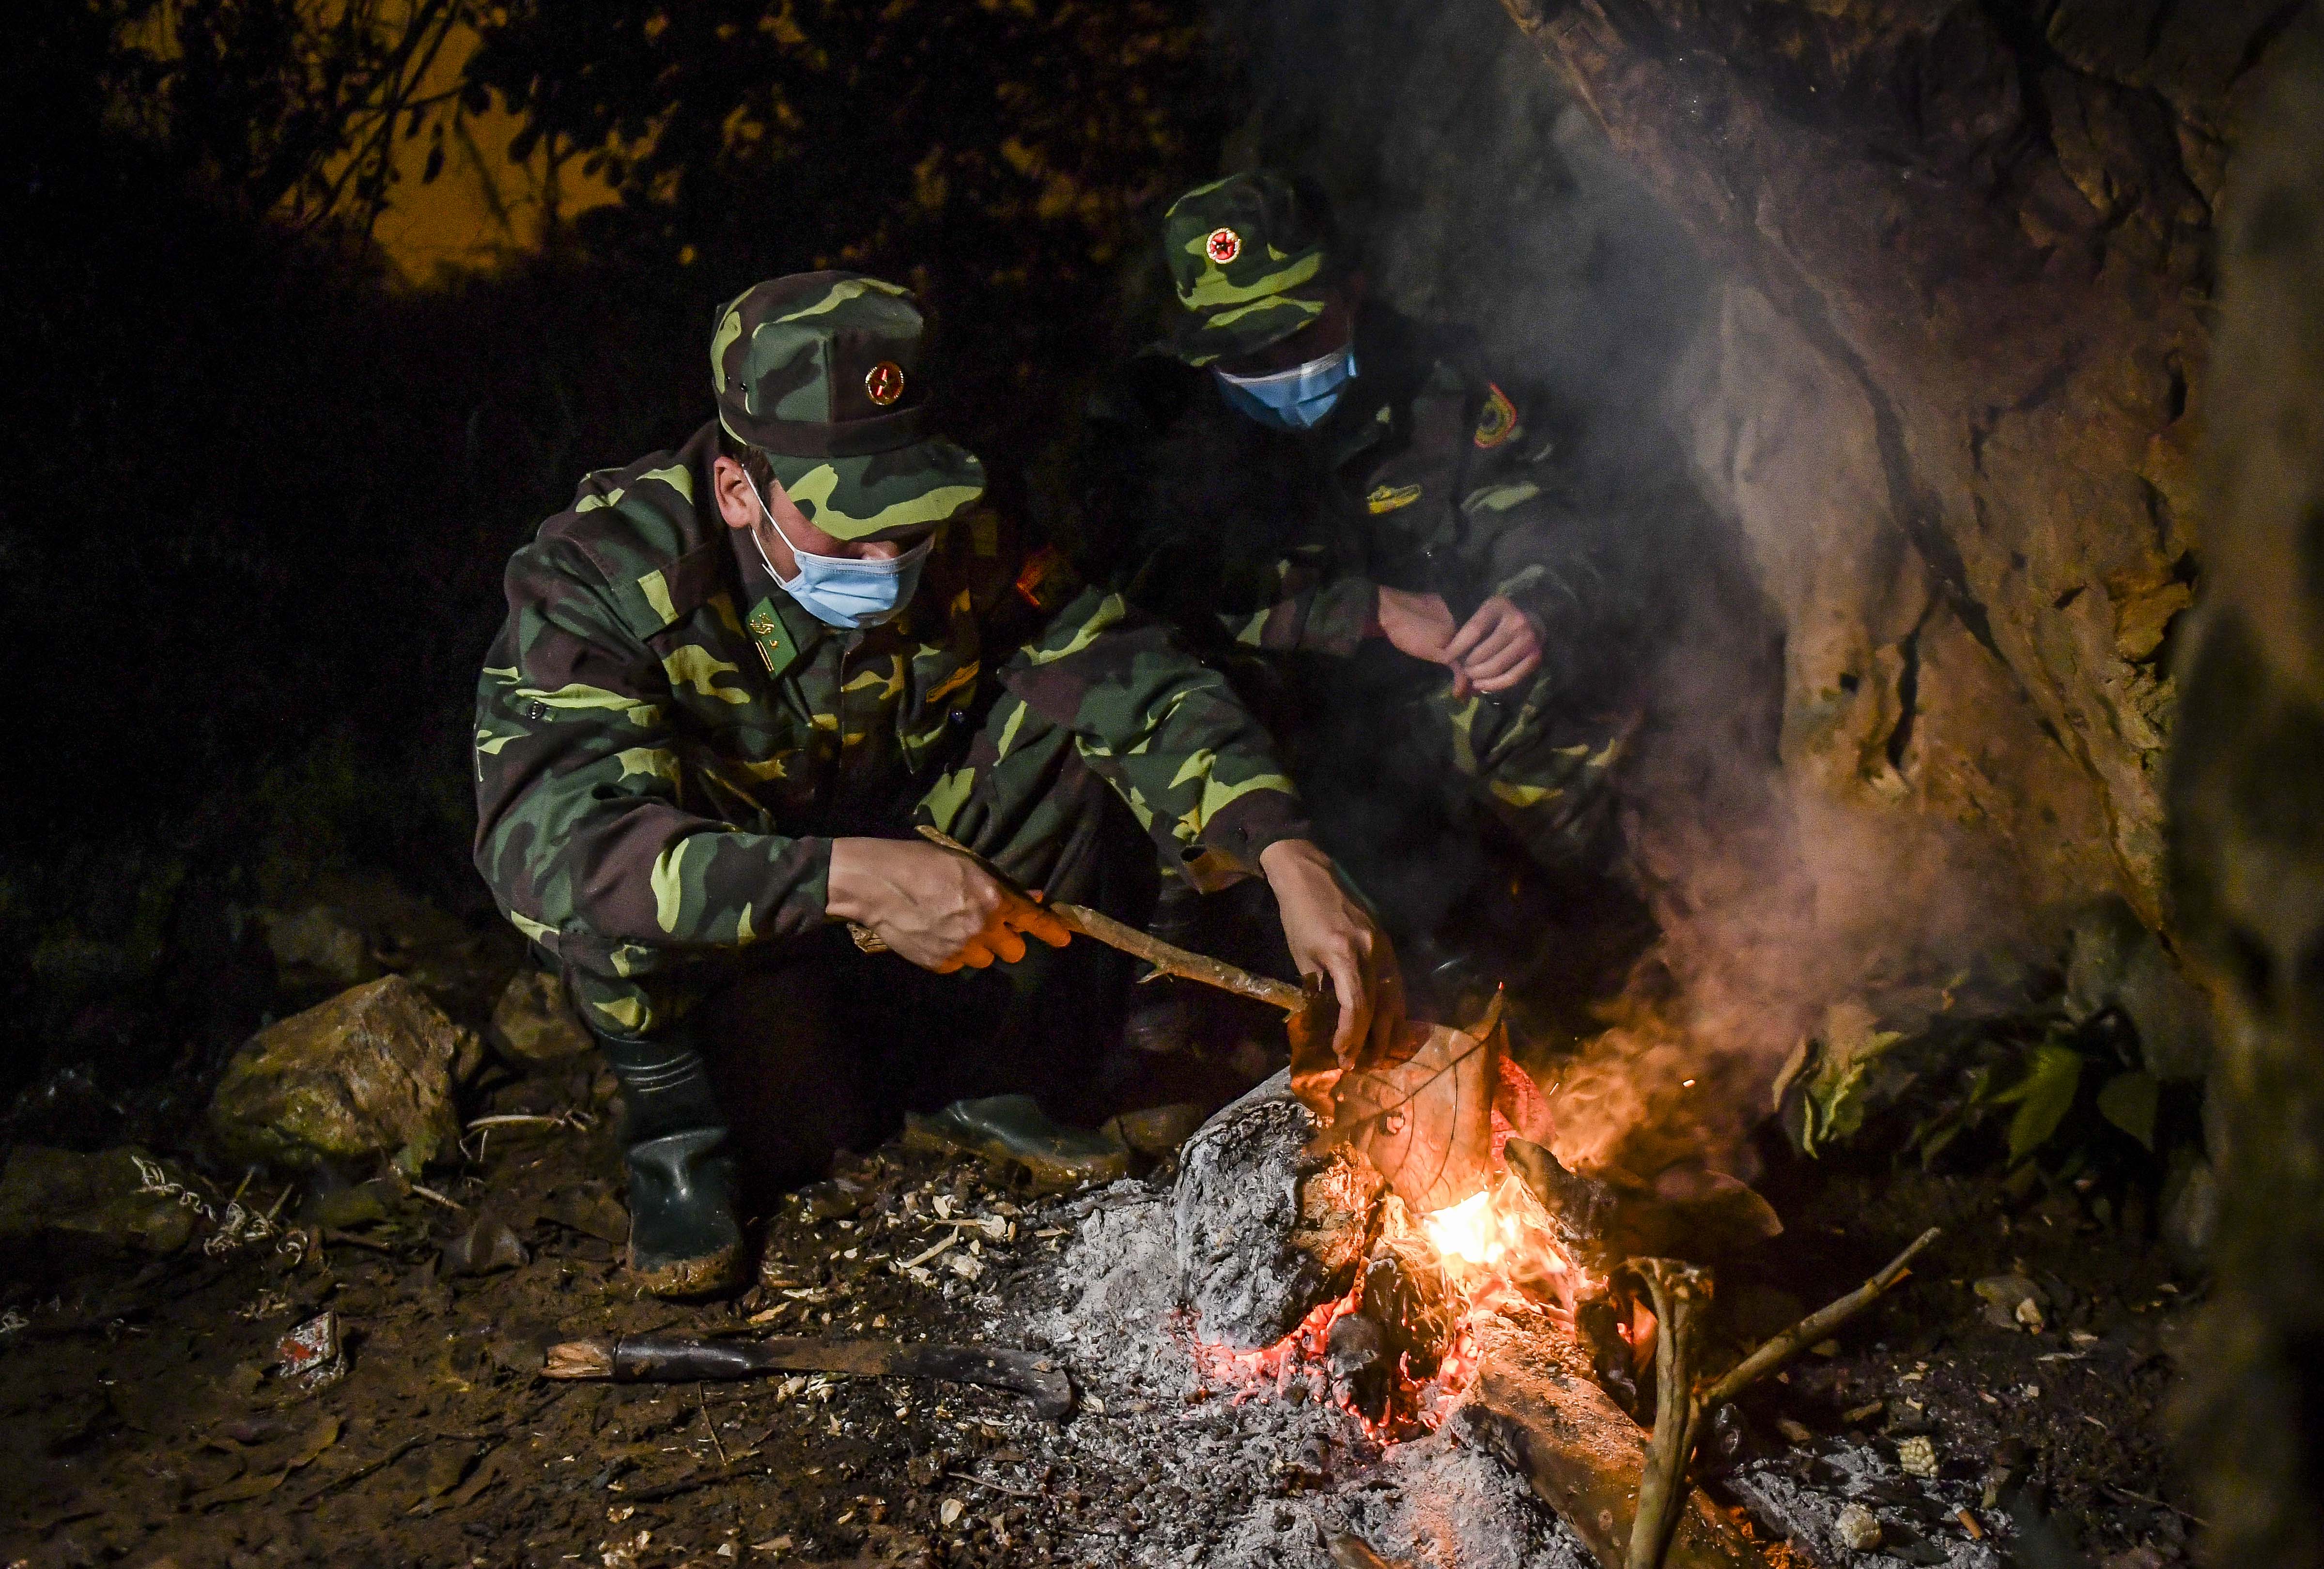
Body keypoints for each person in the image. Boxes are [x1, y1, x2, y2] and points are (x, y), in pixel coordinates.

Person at [472, 271, 1399, 1296]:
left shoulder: (954, 526)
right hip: (740, 927)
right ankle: (675, 1129)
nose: (886, 558)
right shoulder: (598, 575)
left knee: (1065, 713)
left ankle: (978, 1074)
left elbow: (1124, 668)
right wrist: (856, 880)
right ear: (740, 488)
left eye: (903, 522)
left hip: (902, 857)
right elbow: (553, 852)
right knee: (671, 967)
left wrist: (1287, 854)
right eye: (843, 525)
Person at [1066, 170, 1651, 1009]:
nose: (1277, 366)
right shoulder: (1144, 427)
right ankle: (1183, 1026)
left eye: (1298, 333)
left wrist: (1533, 599)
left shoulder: (1442, 380)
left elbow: (1545, 513)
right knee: (1153, 763)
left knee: (1573, 702)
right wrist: (1363, 607)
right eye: (1245, 352)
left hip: (1432, 699)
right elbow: (1137, 595)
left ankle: (1614, 957)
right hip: (1264, 721)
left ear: (1352, 289)